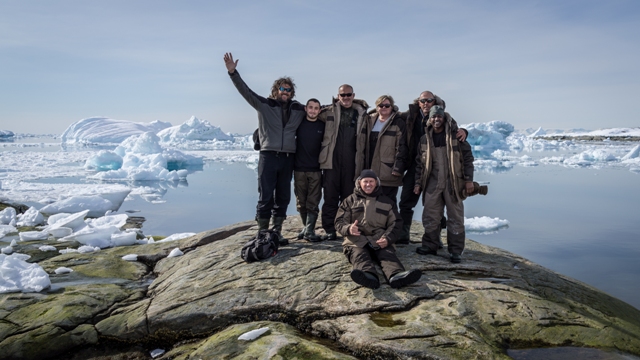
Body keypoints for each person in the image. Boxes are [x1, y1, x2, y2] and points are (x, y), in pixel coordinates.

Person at [224, 52, 305, 245]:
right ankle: (262, 232)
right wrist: (233, 73)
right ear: (276, 90)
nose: (285, 92)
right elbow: (246, 92)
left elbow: (318, 109)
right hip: (268, 156)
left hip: (288, 158)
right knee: (266, 195)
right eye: (282, 89)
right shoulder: (265, 105)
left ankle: (276, 231)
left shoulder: (298, 109)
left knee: (283, 196)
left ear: (292, 93)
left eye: (288, 90)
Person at [397, 91, 467, 243]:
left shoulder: (444, 117)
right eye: (423, 100)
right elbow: (389, 114)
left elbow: (455, 133)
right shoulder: (411, 116)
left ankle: (435, 238)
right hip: (416, 163)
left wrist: (464, 132)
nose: (426, 103)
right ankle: (403, 234)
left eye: (429, 100)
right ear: (419, 102)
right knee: (406, 199)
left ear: (434, 102)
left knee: (436, 202)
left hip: (437, 167)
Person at [335, 169, 422, 289]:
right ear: (359, 182)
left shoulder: (387, 202)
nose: (368, 184)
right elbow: (339, 221)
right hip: (356, 240)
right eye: (365, 181)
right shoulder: (349, 201)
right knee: (359, 255)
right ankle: (368, 276)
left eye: (371, 181)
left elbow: (396, 223)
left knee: (387, 255)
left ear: (376, 183)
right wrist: (349, 228)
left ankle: (396, 276)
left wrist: (388, 238)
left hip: (379, 239)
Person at [413, 105, 474, 263]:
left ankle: (455, 251)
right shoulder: (425, 139)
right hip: (432, 182)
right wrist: (418, 183)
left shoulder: (456, 137)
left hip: (453, 183)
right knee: (430, 214)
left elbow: (468, 160)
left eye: (439, 116)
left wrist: (468, 180)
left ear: (444, 118)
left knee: (455, 216)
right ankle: (430, 245)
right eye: (433, 117)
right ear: (430, 119)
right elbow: (419, 164)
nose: (436, 119)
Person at [318, 85, 369, 240]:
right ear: (337, 96)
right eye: (342, 95)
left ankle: (346, 228)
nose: (345, 98)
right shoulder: (328, 112)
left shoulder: (362, 114)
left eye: (348, 95)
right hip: (332, 162)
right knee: (330, 196)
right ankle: (329, 228)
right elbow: (309, 115)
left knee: (349, 198)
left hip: (352, 162)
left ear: (353, 95)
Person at [355, 95, 408, 207]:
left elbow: (402, 147)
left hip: (388, 170)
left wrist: (398, 168)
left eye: (387, 105)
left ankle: (393, 224)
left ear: (392, 106)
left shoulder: (398, 122)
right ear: (377, 106)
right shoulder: (369, 120)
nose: (384, 107)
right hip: (370, 169)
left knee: (389, 202)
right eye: (381, 105)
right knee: (370, 201)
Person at [294, 98, 325, 242]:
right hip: (299, 169)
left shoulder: (322, 126)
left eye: (316, 108)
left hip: (316, 170)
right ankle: (306, 228)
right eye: (310, 107)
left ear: (319, 110)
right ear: (306, 109)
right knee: (301, 201)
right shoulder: (298, 124)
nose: (313, 110)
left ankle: (310, 230)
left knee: (313, 201)